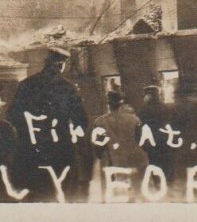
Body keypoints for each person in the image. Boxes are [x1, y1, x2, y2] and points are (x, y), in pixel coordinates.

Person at [6, 46, 89, 202]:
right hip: (60, 150)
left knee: (32, 194)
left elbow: (12, 115)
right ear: (61, 65)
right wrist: (75, 132)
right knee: (62, 194)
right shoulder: (68, 88)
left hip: (31, 150)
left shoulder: (26, 84)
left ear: (46, 62)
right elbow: (81, 121)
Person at [93, 90, 148, 201]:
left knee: (110, 190)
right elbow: (141, 141)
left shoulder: (99, 121)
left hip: (109, 159)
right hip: (130, 157)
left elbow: (98, 145)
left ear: (108, 104)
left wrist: (100, 155)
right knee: (130, 189)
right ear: (121, 103)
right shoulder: (134, 119)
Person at [169, 77, 197, 193]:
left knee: (183, 176)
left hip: (183, 145)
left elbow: (172, 127)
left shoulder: (175, 107)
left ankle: (186, 198)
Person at [137, 85, 174, 185]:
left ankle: (158, 183)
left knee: (154, 162)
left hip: (151, 142)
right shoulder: (167, 108)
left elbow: (140, 128)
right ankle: (167, 181)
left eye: (145, 95)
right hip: (166, 140)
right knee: (167, 161)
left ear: (149, 96)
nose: (144, 98)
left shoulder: (143, 110)